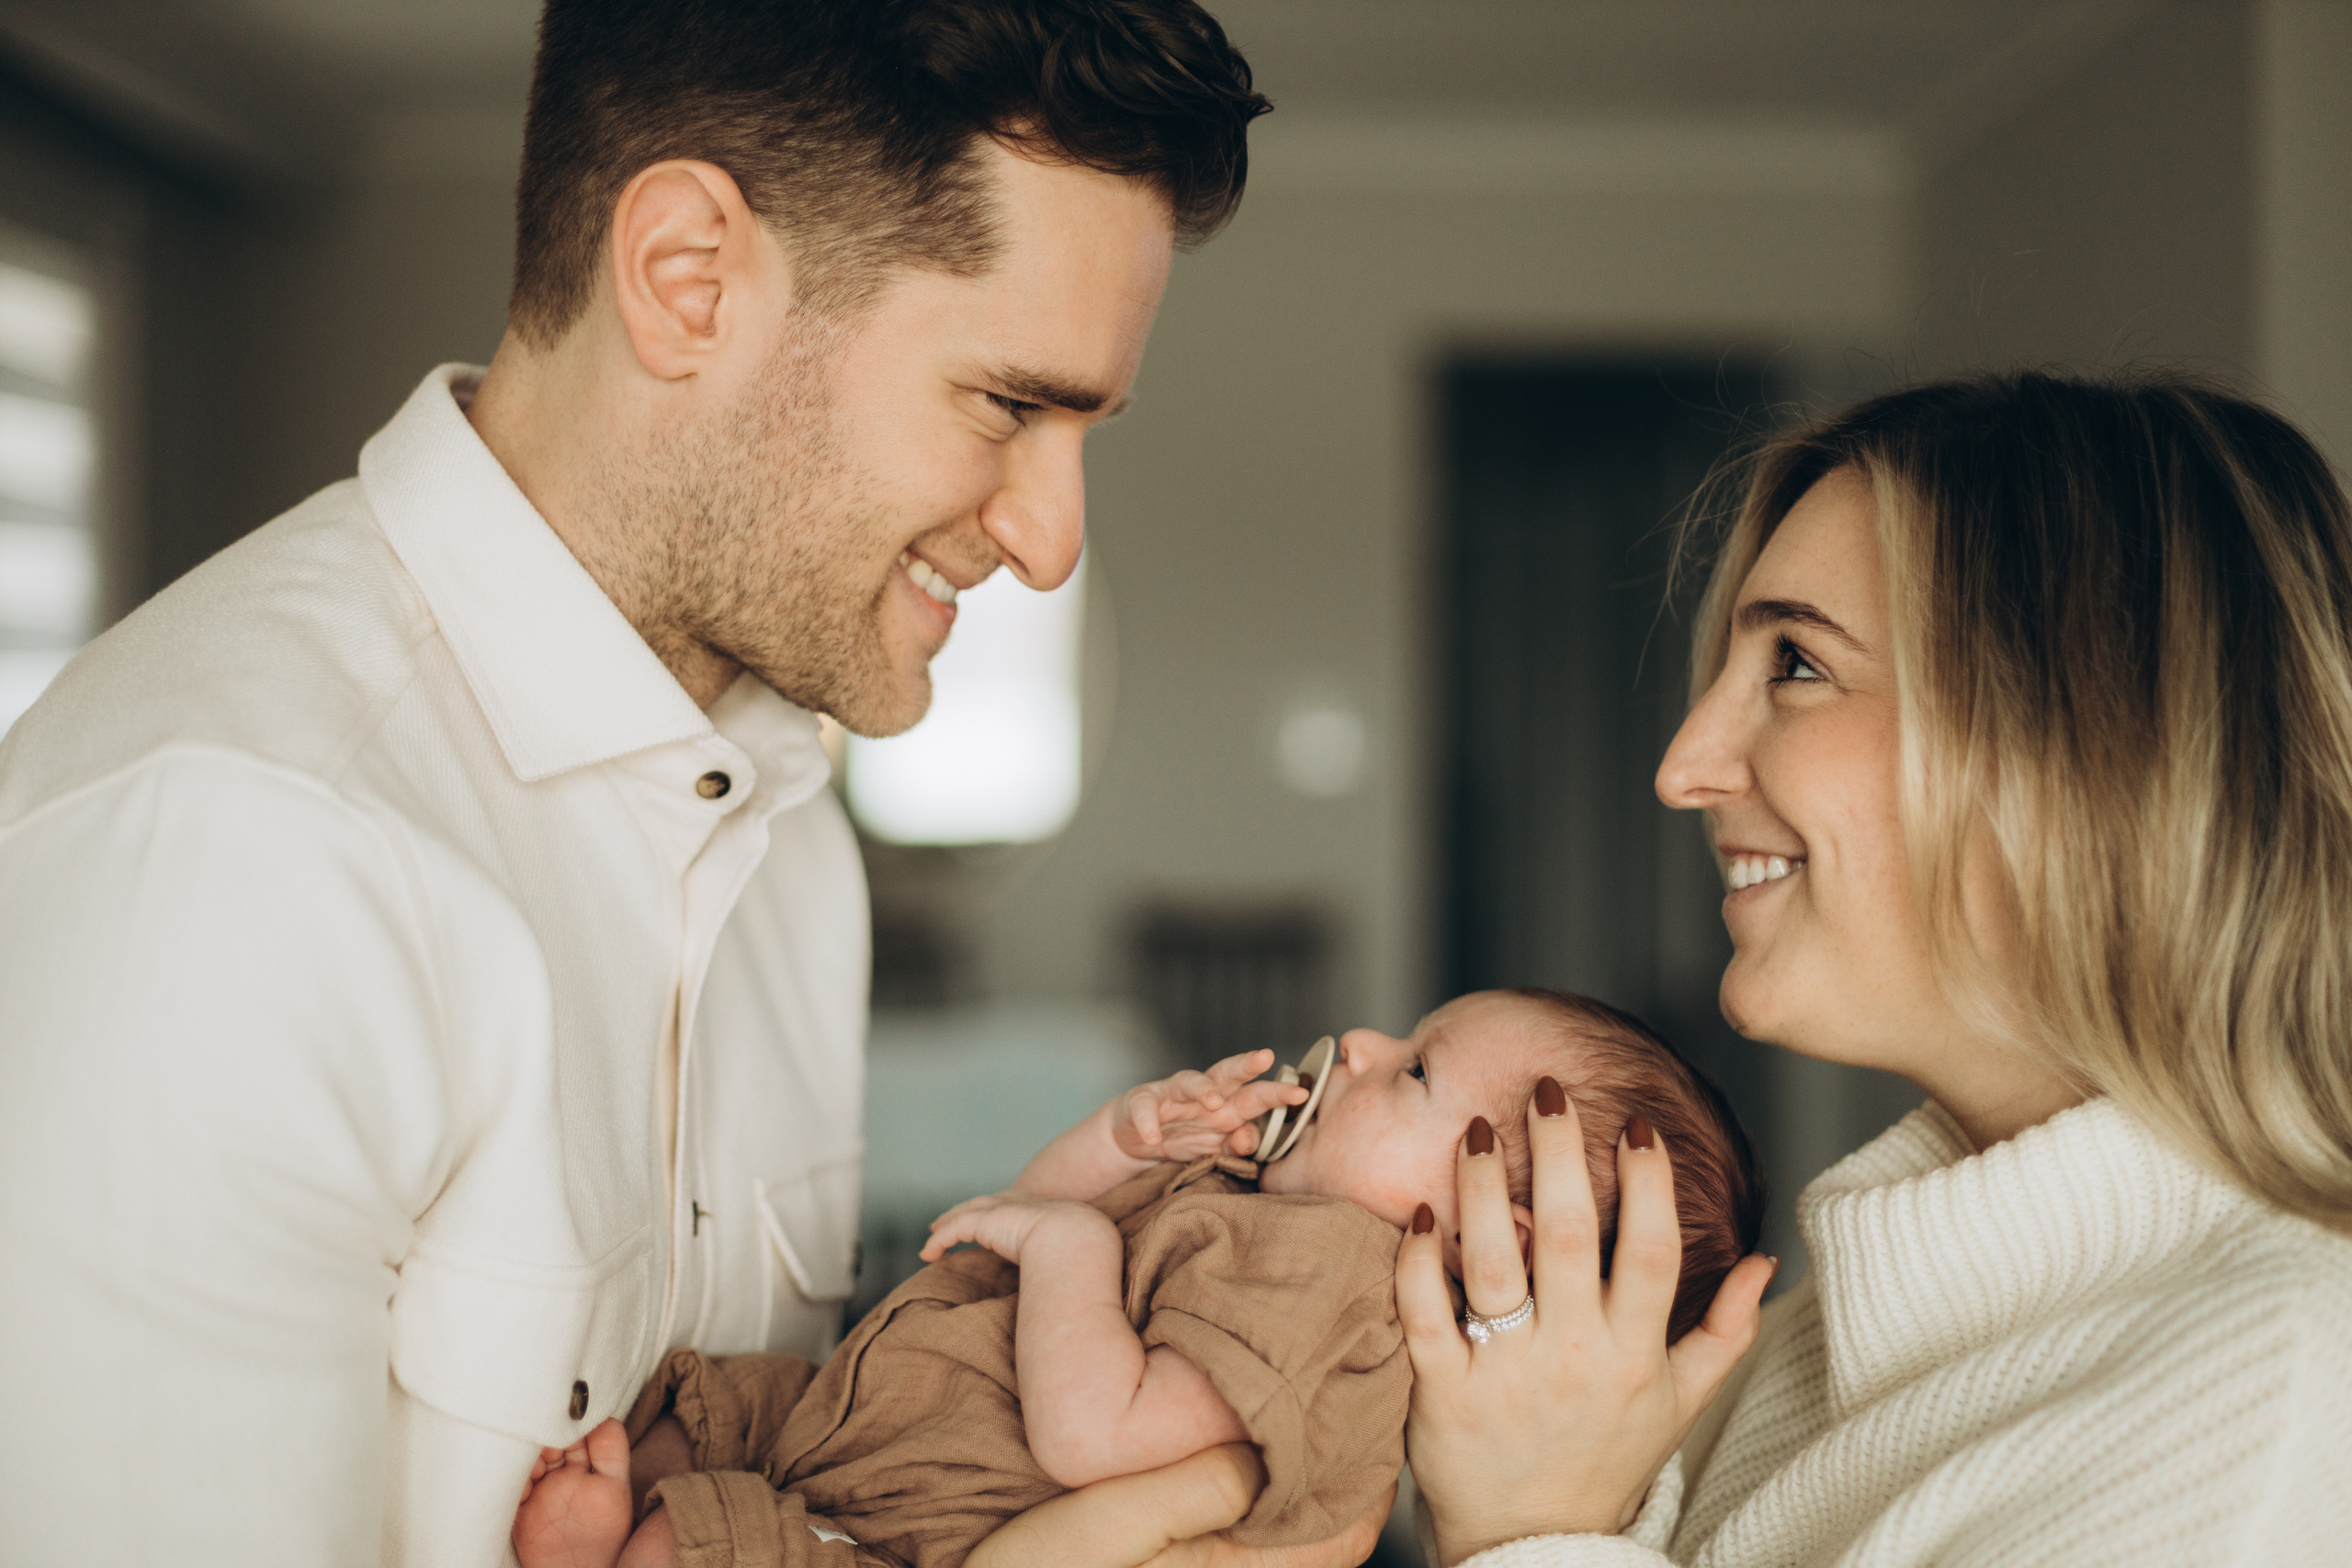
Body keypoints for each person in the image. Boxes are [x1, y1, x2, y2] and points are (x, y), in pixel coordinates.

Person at [0, 3, 1330, 1563]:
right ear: (687, 279)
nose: (1052, 541)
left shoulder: (789, 844)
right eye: (1009, 405)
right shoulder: (233, 856)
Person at [1391, 371, 2352, 1566]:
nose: (1685, 766)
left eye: (1795, 664)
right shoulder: (1809, 1347)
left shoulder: (2268, 1410)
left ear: (2078, 752)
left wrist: (1527, 1537)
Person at [509, 990, 1763, 1568]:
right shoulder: (1274, 1208)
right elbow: (1027, 1210)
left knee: (704, 1535)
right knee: (699, 1419)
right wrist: (1122, 1147)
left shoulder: (1341, 1294)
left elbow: (1095, 1432)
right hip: (882, 1415)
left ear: (1499, 1223)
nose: (1368, 1045)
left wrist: (1074, 1246)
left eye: (1417, 1073)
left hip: (923, 1523)